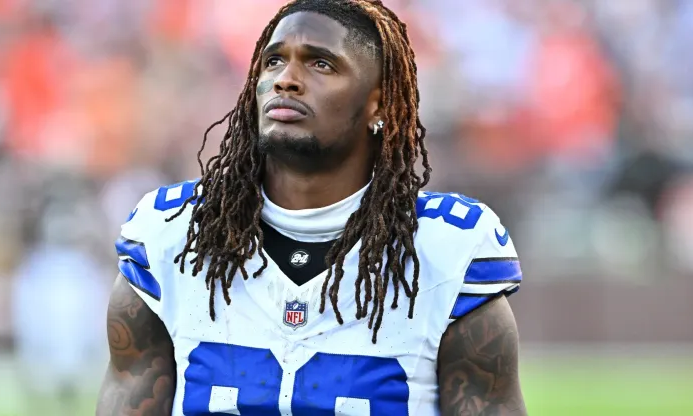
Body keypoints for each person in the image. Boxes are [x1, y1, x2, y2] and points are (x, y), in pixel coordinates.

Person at [97, 0, 526, 414]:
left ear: (379, 101)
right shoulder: (173, 234)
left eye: (321, 63)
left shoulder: (445, 250)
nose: (286, 79)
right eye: (273, 61)